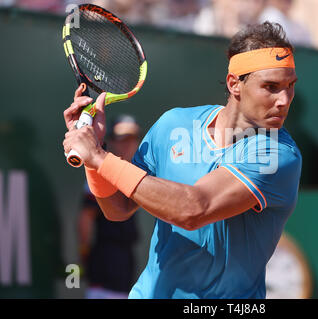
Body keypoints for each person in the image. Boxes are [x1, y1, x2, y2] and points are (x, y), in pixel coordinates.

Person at [63, 22, 302, 299]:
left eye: (290, 86)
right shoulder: (173, 124)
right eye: (271, 87)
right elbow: (117, 208)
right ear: (234, 84)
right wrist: (95, 157)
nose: (284, 100)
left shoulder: (279, 154)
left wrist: (100, 157)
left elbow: (194, 210)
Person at [78, 115, 141, 299]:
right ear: (112, 141)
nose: (128, 144)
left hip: (126, 265)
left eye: (132, 138)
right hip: (104, 264)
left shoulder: (135, 170)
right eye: (122, 139)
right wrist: (84, 254)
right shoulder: (101, 174)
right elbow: (85, 219)